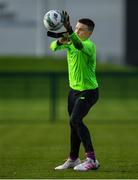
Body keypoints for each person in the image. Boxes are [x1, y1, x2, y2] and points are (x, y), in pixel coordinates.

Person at [50, 11, 100, 171]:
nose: (77, 31)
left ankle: (92, 160)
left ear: (89, 33)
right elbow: (52, 47)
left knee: (76, 120)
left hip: (88, 91)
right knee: (73, 124)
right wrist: (60, 40)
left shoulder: (89, 46)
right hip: (73, 91)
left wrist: (70, 31)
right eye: (76, 28)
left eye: (81, 29)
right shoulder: (70, 41)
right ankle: (73, 158)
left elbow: (78, 44)